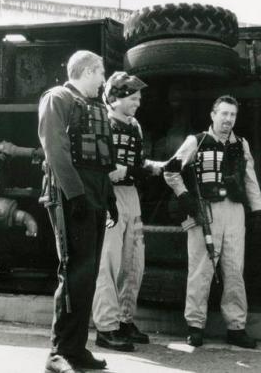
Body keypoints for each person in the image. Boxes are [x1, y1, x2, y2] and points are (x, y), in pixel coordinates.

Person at [164, 95, 261, 349]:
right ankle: (195, 326)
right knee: (201, 271)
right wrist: (184, 196)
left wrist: (258, 210)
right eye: (224, 114)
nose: (228, 120)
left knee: (234, 271)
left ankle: (236, 327)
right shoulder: (195, 142)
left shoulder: (241, 144)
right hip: (204, 212)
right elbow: (170, 170)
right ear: (213, 115)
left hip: (234, 212)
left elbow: (250, 179)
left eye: (232, 115)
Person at [39, 50, 118, 373]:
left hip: (94, 197)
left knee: (86, 276)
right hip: (71, 199)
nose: (103, 82)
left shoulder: (95, 106)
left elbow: (100, 159)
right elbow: (54, 149)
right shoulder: (58, 98)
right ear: (88, 71)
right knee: (73, 274)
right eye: (101, 74)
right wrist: (76, 195)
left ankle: (76, 348)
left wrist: (108, 196)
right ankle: (58, 352)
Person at [92, 71, 165, 351]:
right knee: (108, 262)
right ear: (116, 98)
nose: (138, 102)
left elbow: (136, 162)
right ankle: (106, 327)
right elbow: (109, 171)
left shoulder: (134, 125)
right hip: (108, 196)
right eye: (133, 97)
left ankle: (124, 319)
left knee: (134, 260)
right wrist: (139, 169)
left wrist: (156, 166)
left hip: (131, 194)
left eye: (138, 97)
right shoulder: (103, 123)